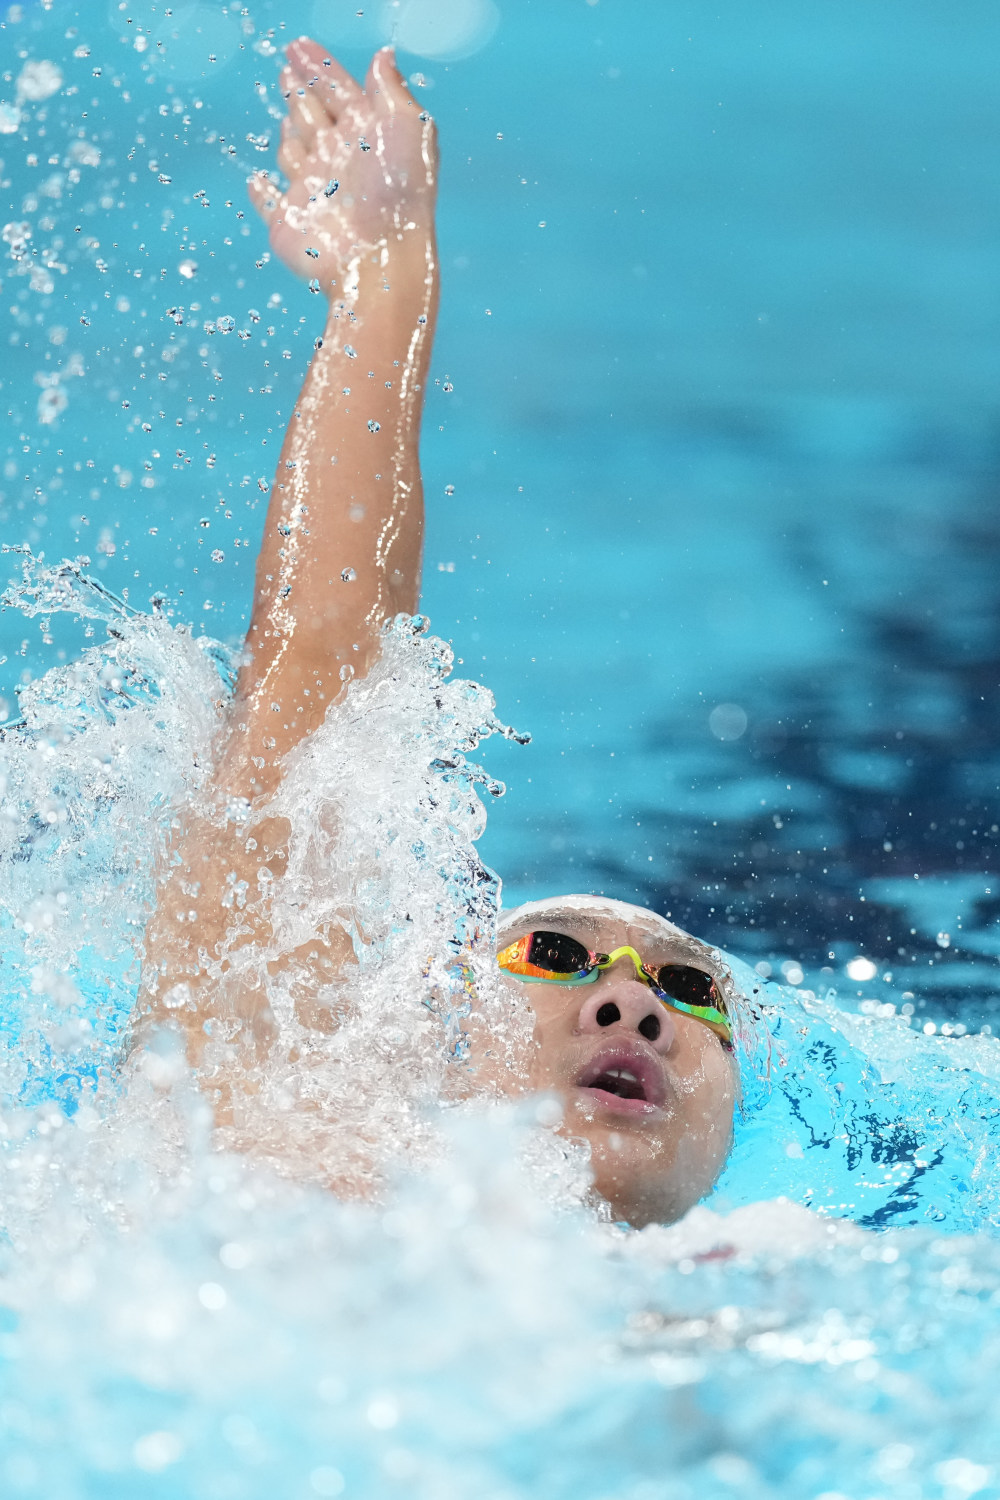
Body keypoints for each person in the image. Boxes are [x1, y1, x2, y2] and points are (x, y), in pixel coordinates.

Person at [137, 38, 740, 1228]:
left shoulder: (798, 1279)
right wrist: (385, 284)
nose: (632, 1008)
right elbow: (318, 673)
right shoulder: (276, 1138)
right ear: (428, 1037)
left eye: (687, 989)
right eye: (555, 959)